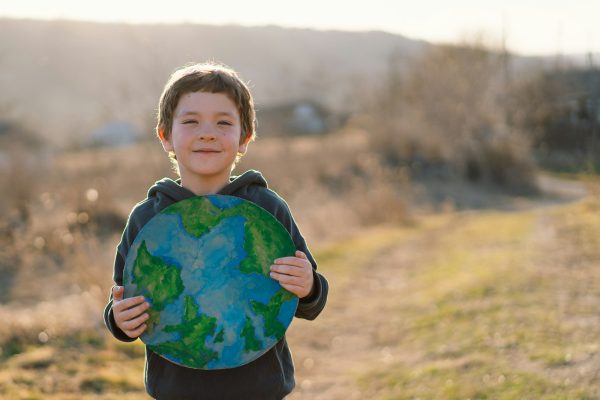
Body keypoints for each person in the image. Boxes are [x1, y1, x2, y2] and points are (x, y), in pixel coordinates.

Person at [103, 62, 329, 400]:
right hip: (177, 391)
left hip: (260, 390)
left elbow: (310, 301)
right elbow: (124, 299)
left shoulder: (267, 209)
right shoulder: (147, 218)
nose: (207, 132)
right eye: (191, 121)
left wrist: (308, 285)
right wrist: (118, 320)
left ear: (244, 139)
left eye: (223, 123)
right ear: (165, 136)